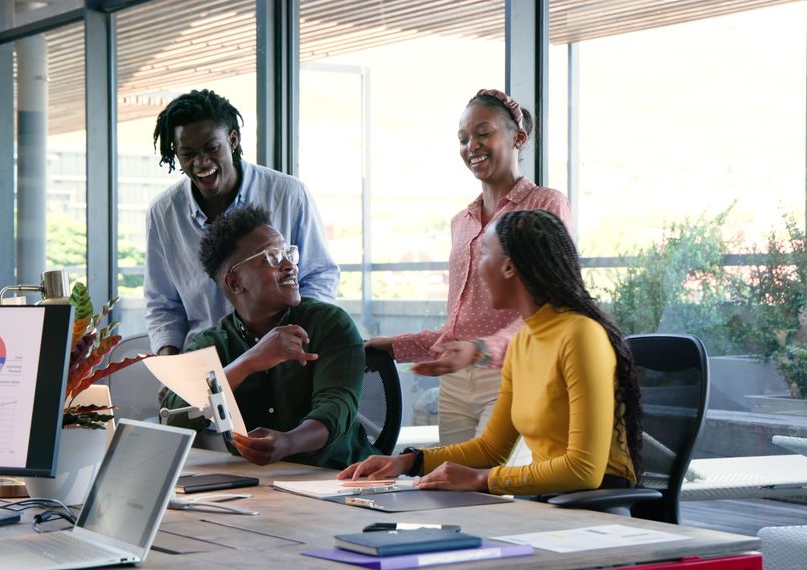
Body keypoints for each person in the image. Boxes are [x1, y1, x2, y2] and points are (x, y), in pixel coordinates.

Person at [339, 209, 642, 496]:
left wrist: (481, 479)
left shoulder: (581, 335)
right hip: (549, 504)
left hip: (595, 509)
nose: (477, 267)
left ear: (509, 266)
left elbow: (583, 470)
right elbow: (491, 449)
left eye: (484, 254)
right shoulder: (524, 341)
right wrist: (407, 462)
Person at [366, 89, 573, 445]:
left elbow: (551, 310)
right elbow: (460, 327)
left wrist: (481, 349)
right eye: (463, 139)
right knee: (457, 492)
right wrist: (391, 345)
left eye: (483, 133)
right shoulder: (461, 222)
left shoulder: (543, 203)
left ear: (518, 138)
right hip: (458, 383)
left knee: (492, 488)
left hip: (514, 372)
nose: (471, 146)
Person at [160, 205, 377, 469]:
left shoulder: (329, 323)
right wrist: (248, 362)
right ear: (235, 283)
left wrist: (287, 442)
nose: (289, 265)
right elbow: (173, 418)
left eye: (288, 253)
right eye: (272, 257)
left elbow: (337, 406)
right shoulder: (212, 343)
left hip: (338, 476)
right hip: (255, 485)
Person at [145, 89, 338, 355]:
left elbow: (319, 274)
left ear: (232, 140)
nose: (201, 163)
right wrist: (170, 361)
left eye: (212, 149)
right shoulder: (163, 213)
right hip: (205, 361)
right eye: (188, 154)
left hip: (283, 355)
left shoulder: (288, 194)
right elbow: (163, 304)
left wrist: (298, 332)